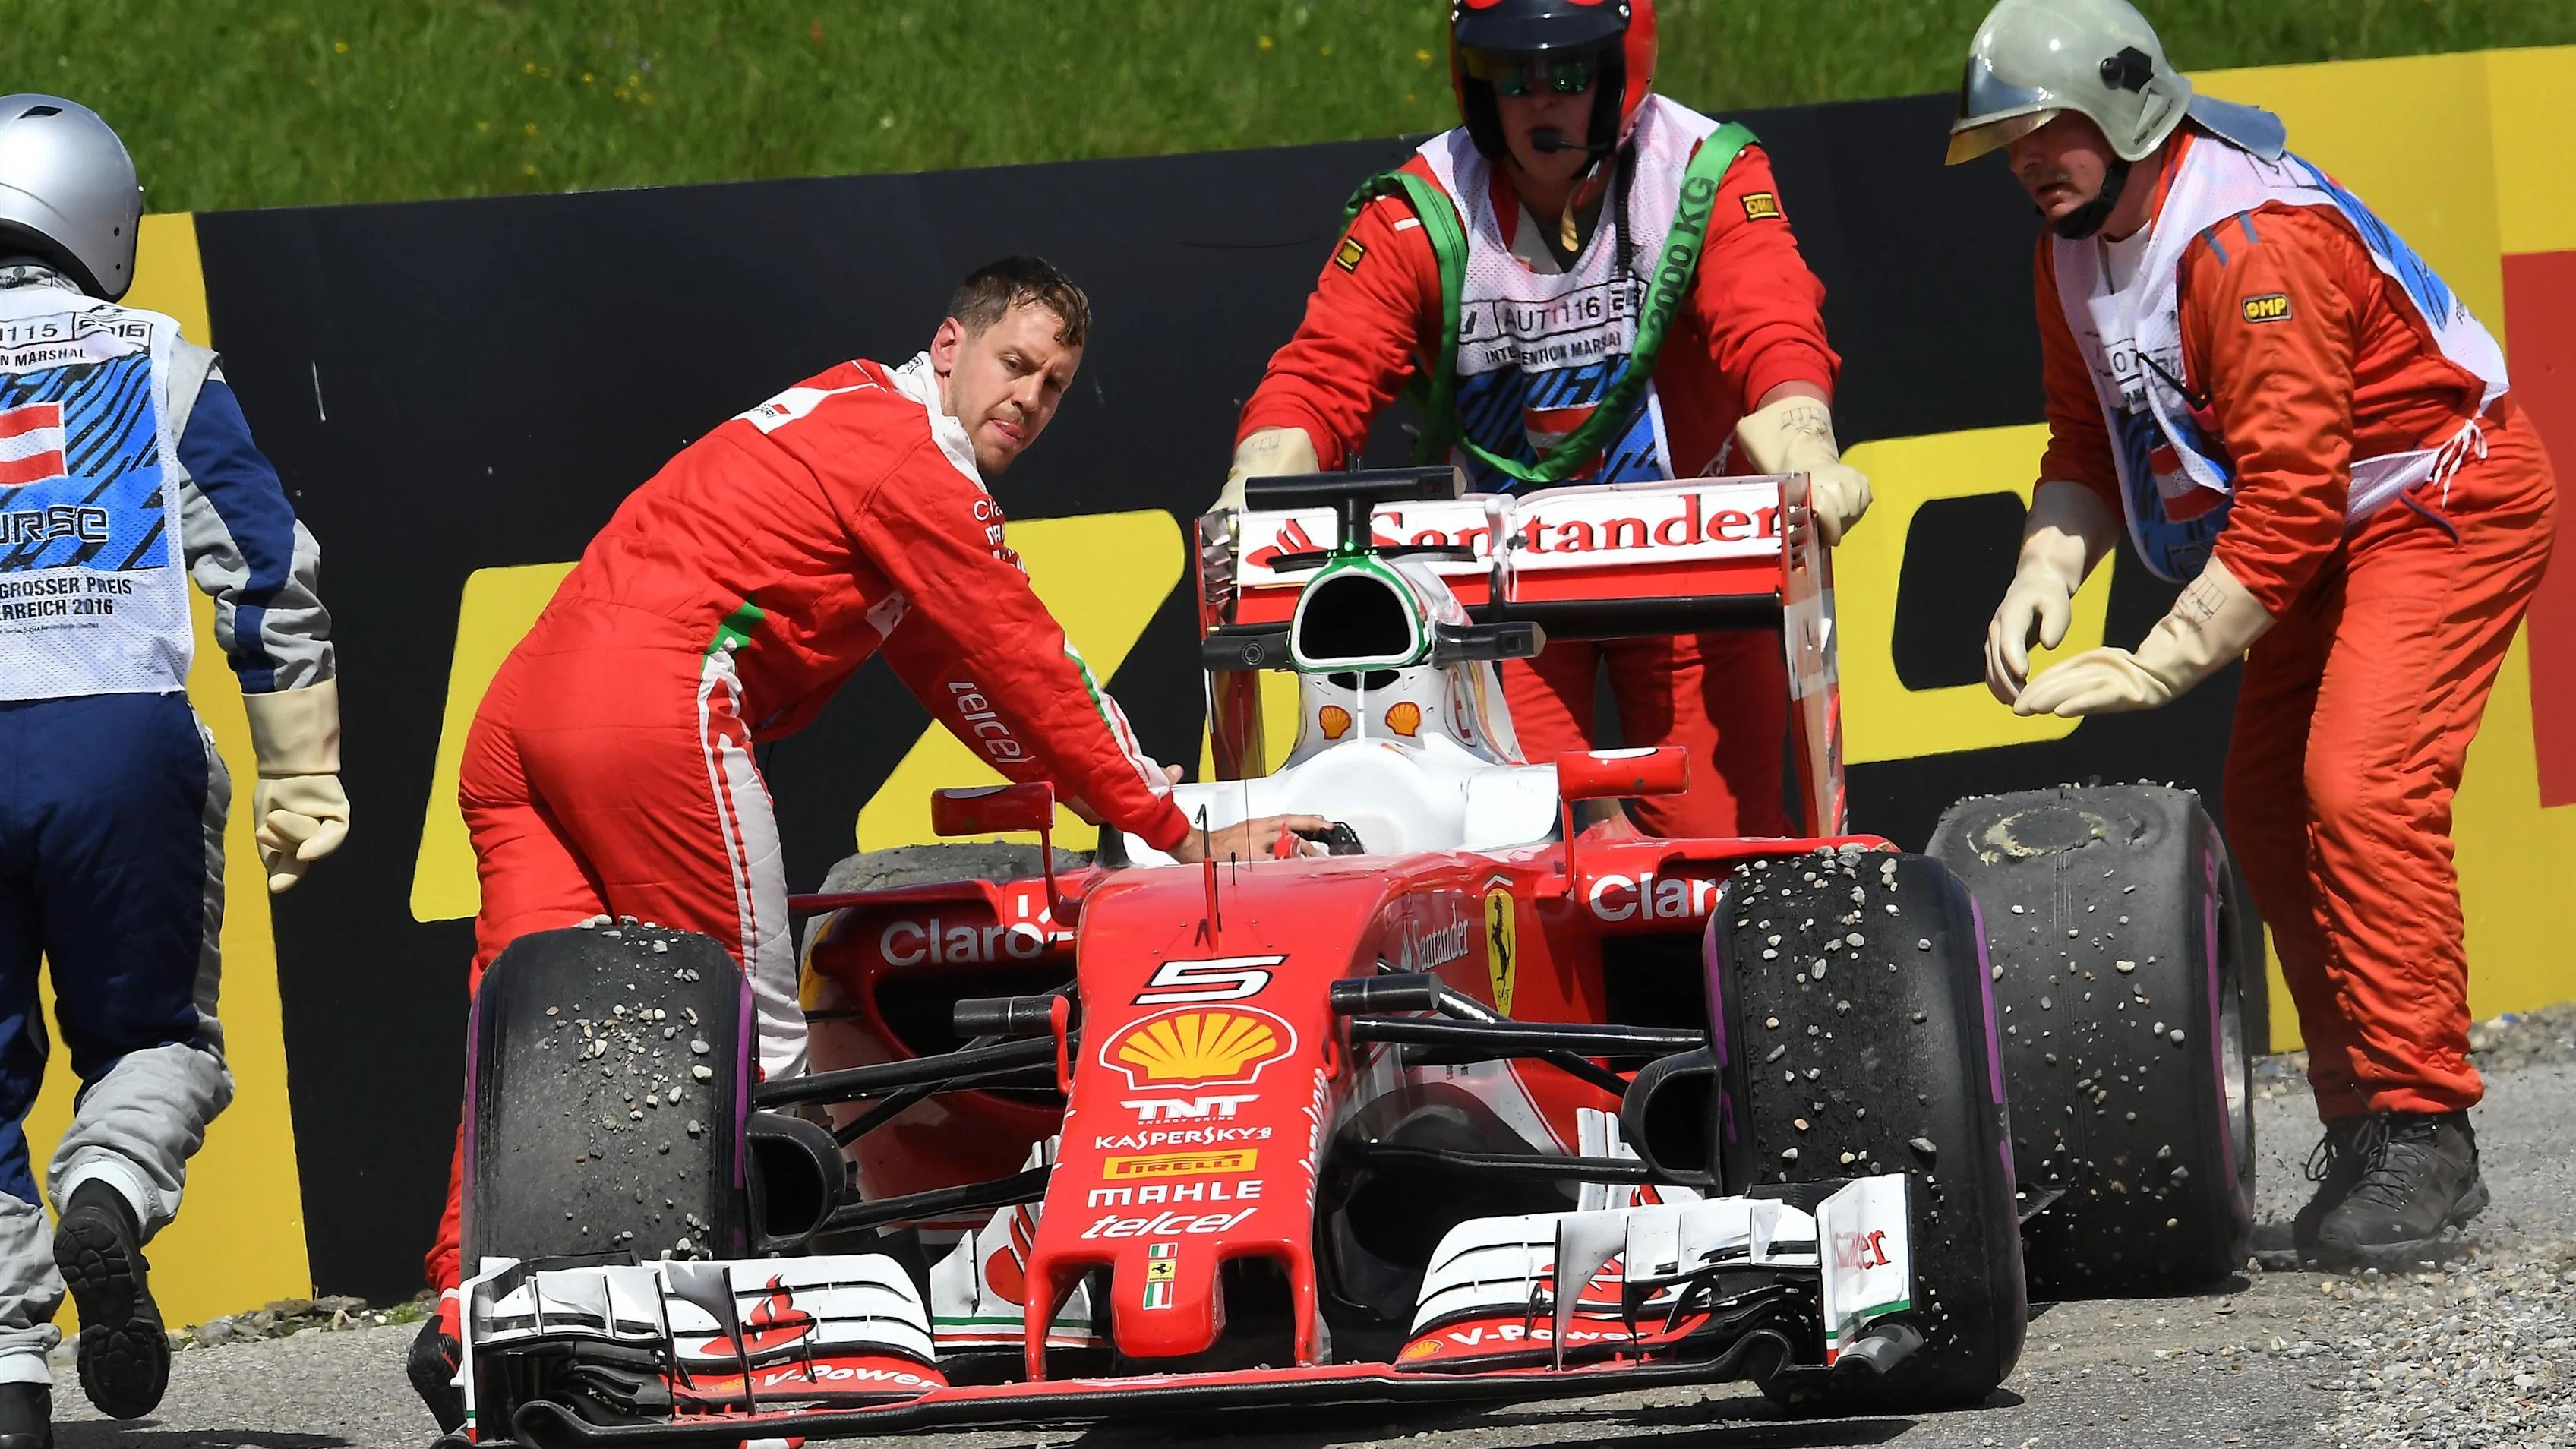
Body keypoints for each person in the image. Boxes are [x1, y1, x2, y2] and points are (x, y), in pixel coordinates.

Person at [409, 257, 1324, 1428]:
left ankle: (466, 1314)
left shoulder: (851, 412)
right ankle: (758, 1343)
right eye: (1015, 363)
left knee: (527, 1043)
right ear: (950, 344)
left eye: (1053, 385)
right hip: (657, 703)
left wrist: (1103, 793)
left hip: (523, 712)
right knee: (753, 1036)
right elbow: (1027, 659)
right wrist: (1172, 821)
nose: (1029, 399)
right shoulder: (916, 462)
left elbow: (964, 679)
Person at [1953, 0, 2558, 1268]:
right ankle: (2365, 1132)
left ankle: (2426, 1132)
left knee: (2360, 785)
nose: (2024, 160)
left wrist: (2160, 660)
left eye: (2047, 130)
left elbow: (2287, 501)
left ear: (2125, 109)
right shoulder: (2070, 247)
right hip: (2330, 525)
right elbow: (2085, 444)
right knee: (2272, 807)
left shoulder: (2246, 240)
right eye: (2007, 140)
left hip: (2443, 496)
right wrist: (2043, 570)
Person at [1213, 0, 1867, 838]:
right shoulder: (1421, 208)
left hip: (1695, 566)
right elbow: (1322, 372)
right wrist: (1248, 485)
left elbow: (1770, 319)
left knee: (1720, 849)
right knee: (1512, 847)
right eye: (1511, 77)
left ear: (1618, 68)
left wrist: (1806, 442)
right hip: (1500, 593)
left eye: (1567, 73)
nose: (1540, 102)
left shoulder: (1702, 174)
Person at [0, 96, 346, 1447]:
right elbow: (267, 570)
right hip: (117, 738)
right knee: (154, 1041)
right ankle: (109, 1187)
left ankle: (9, 1385)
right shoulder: (158, 356)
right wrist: (300, 770)